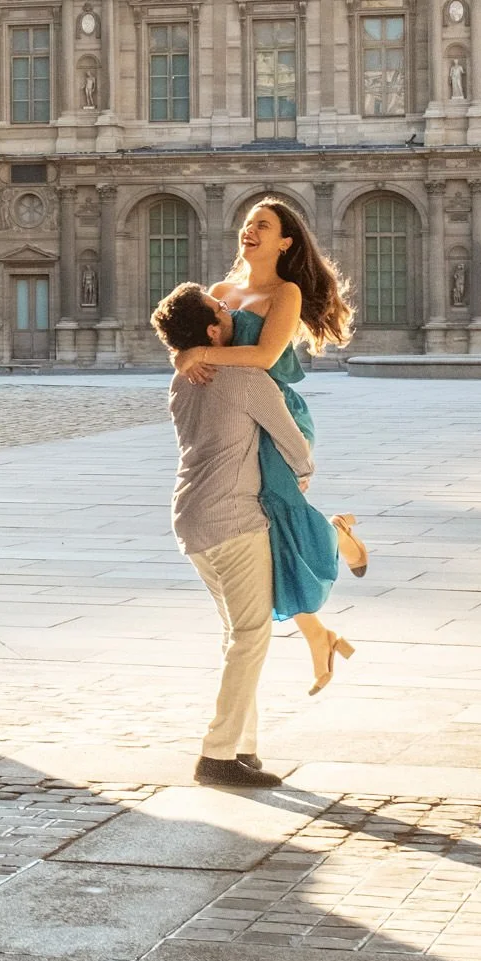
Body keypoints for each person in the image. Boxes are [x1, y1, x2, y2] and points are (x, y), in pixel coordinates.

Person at [170, 198, 367, 694]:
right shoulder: (220, 292)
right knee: (267, 531)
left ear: (285, 242)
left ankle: (336, 537)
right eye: (247, 223)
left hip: (275, 413)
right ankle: (318, 634)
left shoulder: (286, 292)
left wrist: (197, 352)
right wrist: (183, 354)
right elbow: (193, 336)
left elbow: (262, 355)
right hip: (236, 414)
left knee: (278, 516)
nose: (250, 230)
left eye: (263, 225)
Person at [151, 277, 315, 789]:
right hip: (234, 519)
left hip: (191, 517)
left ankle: (243, 746)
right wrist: (302, 474)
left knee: (237, 632)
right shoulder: (247, 379)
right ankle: (217, 754)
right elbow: (295, 445)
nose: (230, 309)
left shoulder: (182, 379)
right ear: (211, 331)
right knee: (250, 635)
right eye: (220, 307)